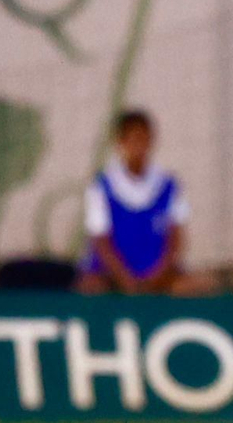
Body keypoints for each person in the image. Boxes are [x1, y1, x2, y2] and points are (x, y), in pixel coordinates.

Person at [77, 110, 206, 295]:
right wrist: (125, 280)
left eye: (143, 140)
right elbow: (101, 242)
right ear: (120, 142)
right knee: (90, 287)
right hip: (111, 276)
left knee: (196, 286)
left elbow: (176, 239)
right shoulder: (102, 186)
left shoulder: (168, 184)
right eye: (132, 140)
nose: (138, 147)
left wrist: (156, 277)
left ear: (151, 141)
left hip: (158, 277)